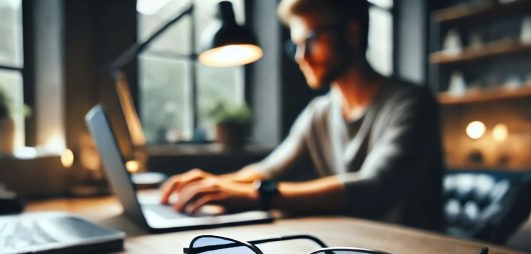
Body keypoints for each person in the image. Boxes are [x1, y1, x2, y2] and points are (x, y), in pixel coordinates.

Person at [160, 0, 445, 231]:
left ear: (352, 33)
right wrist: (213, 185)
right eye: (294, 44)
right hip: (355, 248)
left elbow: (373, 189)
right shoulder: (319, 112)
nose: (300, 56)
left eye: (310, 39)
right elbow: (271, 169)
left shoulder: (411, 102)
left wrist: (257, 196)